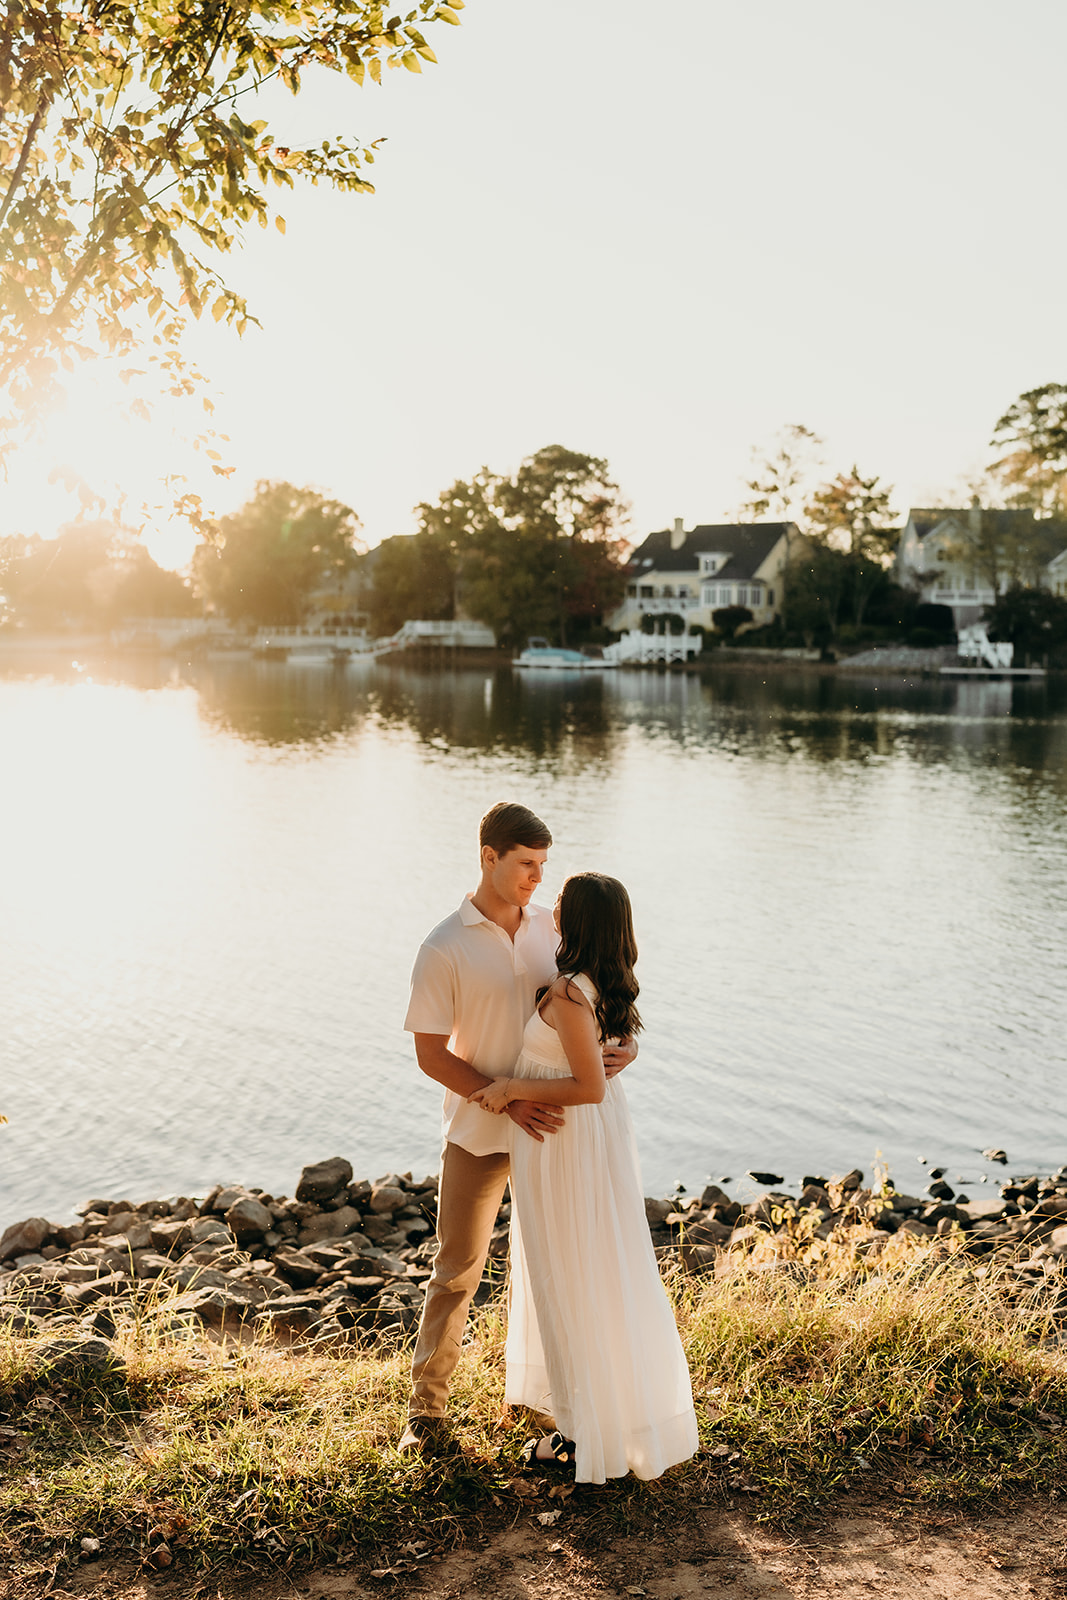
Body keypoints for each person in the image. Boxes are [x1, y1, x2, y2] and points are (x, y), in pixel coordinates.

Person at [399, 802, 635, 1454]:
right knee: (456, 1271)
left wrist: (627, 1047)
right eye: (525, 864)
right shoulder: (442, 945)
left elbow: (600, 995)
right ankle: (426, 1416)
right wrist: (503, 1100)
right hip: (480, 1130)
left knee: (564, 1269)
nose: (536, 876)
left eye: (542, 865)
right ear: (489, 857)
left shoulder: (551, 930)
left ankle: (557, 1405)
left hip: (555, 1134)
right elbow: (430, 1053)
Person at [468, 872, 698, 1484]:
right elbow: (604, 1058)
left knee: (566, 1270)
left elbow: (589, 1086)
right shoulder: (599, 983)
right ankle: (601, 1415)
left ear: (579, 920)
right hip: (582, 1141)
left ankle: (581, 1435)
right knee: (592, 1265)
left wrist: (511, 1088)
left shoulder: (571, 992)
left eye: (563, 904)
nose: (553, 908)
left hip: (561, 1140)